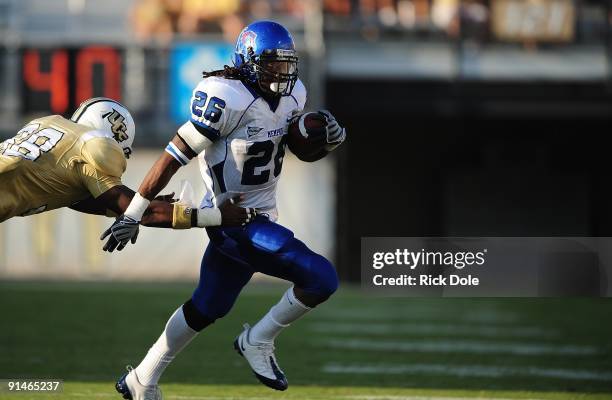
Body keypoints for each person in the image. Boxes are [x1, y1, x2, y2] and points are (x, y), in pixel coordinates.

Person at [103, 21, 346, 399]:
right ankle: (258, 340)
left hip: (259, 217)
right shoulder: (225, 97)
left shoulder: (294, 94)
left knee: (207, 306)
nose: (281, 73)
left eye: (286, 64)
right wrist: (134, 212)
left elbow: (294, 149)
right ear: (248, 61)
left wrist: (321, 140)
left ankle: (141, 379)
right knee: (322, 278)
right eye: (272, 64)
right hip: (232, 218)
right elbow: (172, 157)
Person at [0, 97, 251, 237]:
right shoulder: (94, 147)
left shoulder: (48, 123)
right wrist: (215, 216)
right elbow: (145, 214)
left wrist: (132, 203)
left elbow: (71, 194)